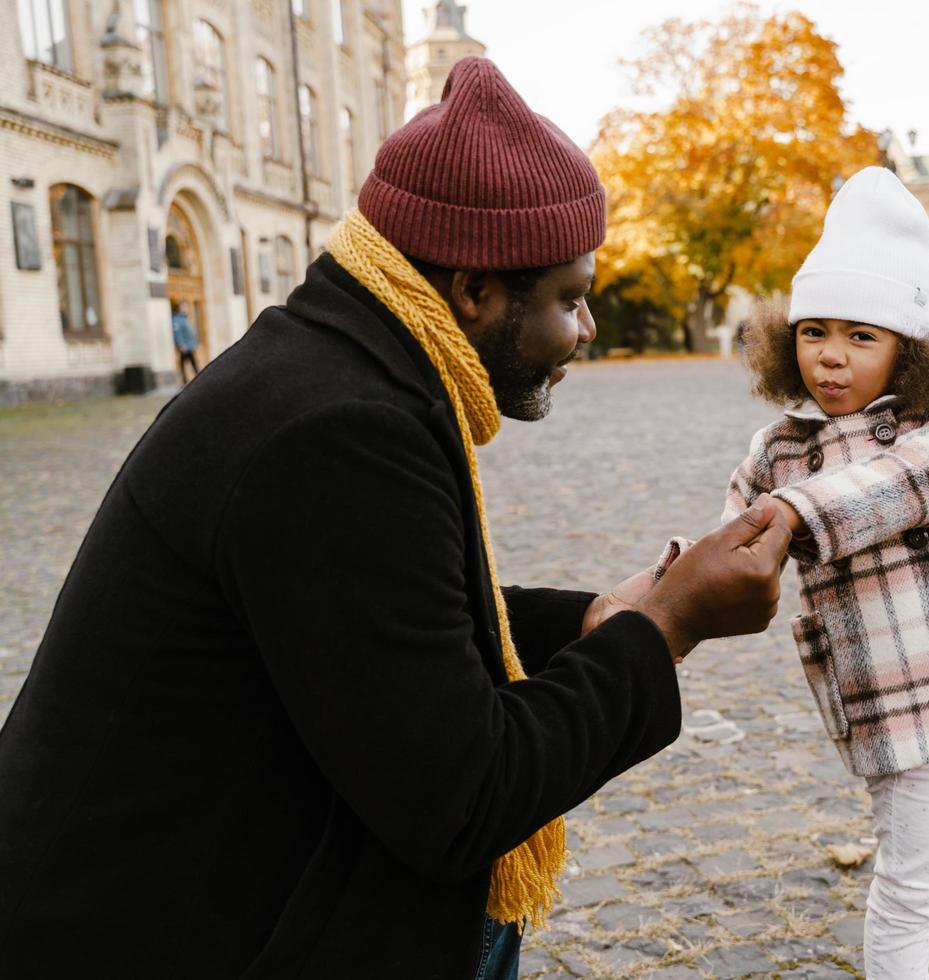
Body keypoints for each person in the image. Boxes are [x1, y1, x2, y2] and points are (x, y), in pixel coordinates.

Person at [0, 56, 790, 979]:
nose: (584, 329)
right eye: (569, 298)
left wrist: (586, 623)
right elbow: (461, 797)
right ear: (472, 291)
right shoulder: (339, 430)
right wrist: (666, 627)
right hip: (151, 930)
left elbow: (378, 625)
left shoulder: (337, 364)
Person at [666, 167, 929, 980]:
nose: (830, 356)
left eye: (861, 336)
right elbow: (730, 539)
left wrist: (795, 514)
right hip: (895, 692)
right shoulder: (780, 447)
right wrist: (669, 591)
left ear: (909, 348)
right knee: (909, 879)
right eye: (814, 331)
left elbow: (904, 486)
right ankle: (927, 939)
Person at [171, 302, 200, 382]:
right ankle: (185, 379)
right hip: (185, 346)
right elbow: (177, 333)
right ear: (180, 308)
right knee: (187, 362)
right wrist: (180, 344)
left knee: (190, 361)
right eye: (184, 307)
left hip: (190, 345)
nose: (186, 309)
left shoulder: (185, 318)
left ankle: (192, 378)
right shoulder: (177, 319)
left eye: (186, 307)